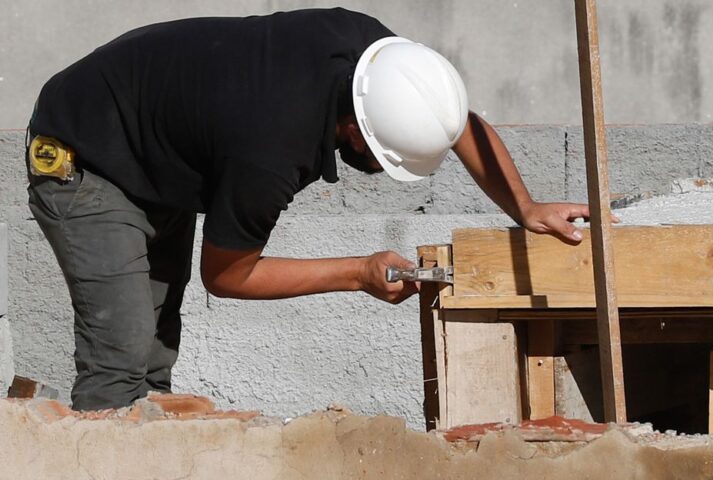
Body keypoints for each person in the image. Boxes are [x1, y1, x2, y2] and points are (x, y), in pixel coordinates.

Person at [26, 7, 593, 411]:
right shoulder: (271, 152)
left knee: (152, 358)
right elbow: (227, 275)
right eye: (381, 158)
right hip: (85, 155)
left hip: (157, 144)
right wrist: (357, 273)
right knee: (122, 360)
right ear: (353, 127)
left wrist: (526, 206)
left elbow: (455, 120)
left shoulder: (375, 56)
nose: (381, 170)